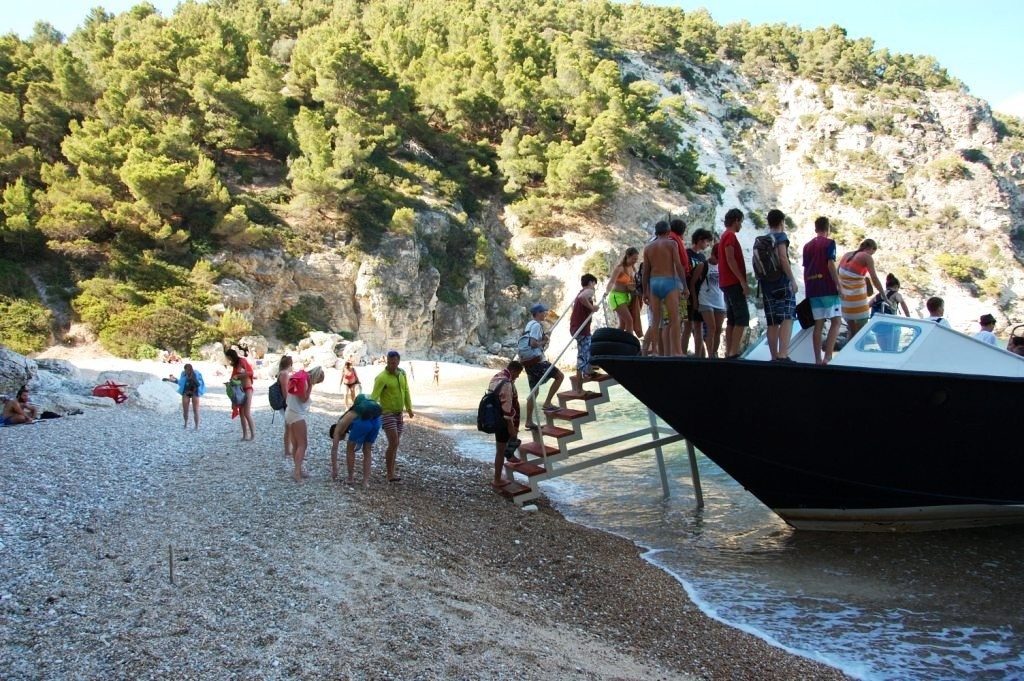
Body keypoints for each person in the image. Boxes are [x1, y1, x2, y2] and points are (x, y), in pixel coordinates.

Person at [642, 221, 687, 356]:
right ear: (668, 232)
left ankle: (655, 351)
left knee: (655, 320)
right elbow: (678, 265)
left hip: (654, 282)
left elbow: (645, 272)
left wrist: (645, 291)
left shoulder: (648, 248)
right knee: (674, 319)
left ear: (656, 232)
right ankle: (677, 351)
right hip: (669, 281)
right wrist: (685, 286)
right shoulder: (672, 244)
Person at [802, 216, 843, 365]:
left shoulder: (807, 246)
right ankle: (828, 357)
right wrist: (838, 284)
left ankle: (818, 359)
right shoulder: (829, 243)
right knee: (836, 321)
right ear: (828, 229)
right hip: (827, 287)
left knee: (818, 324)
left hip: (812, 288)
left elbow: (805, 268)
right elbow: (830, 264)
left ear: (815, 229)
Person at [759, 209, 799, 361]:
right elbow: (783, 258)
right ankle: (783, 355)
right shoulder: (781, 237)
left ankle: (773, 357)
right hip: (782, 283)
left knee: (772, 321)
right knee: (787, 317)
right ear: (782, 222)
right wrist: (792, 279)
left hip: (766, 285)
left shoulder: (763, 239)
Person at [519, 303, 565, 428]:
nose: (545, 314)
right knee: (560, 376)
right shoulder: (536, 325)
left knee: (534, 391)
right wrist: (545, 340)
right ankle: (548, 403)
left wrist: (544, 336)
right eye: (543, 312)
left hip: (528, 362)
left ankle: (528, 421)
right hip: (537, 361)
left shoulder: (529, 324)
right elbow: (533, 343)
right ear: (538, 313)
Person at [370, 350, 414, 483]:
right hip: (386, 413)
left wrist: (409, 408)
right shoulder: (381, 377)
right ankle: (389, 474)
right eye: (389, 362)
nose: (391, 365)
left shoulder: (402, 373)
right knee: (393, 442)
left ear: (398, 361)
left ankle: (392, 472)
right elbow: (374, 396)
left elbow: (406, 390)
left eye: (393, 363)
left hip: (399, 413)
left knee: (395, 444)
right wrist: (369, 413)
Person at [329, 394, 383, 487]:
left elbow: (334, 450)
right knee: (367, 450)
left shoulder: (339, 426)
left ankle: (350, 479)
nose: (340, 439)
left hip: (363, 423)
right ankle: (365, 482)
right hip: (377, 421)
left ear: (333, 432)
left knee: (350, 449)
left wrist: (334, 470)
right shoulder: (357, 410)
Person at [838, 238, 885, 340]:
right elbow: (874, 278)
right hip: (857, 301)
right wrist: (884, 295)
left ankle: (847, 349)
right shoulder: (866, 257)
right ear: (871, 248)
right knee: (860, 335)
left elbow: (838, 274)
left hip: (845, 302)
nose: (872, 255)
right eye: (873, 252)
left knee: (851, 332)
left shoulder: (847, 255)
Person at [718, 208, 749, 359]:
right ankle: (733, 352)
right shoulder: (730, 236)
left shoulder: (724, 236)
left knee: (732, 318)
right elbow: (730, 259)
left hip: (725, 282)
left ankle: (729, 351)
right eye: (740, 222)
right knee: (742, 317)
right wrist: (742, 281)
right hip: (733, 282)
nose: (741, 225)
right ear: (736, 220)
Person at [286, 365, 324, 483]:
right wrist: (310, 387)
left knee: (296, 444)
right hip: (297, 414)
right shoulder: (305, 381)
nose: (315, 383)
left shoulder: (299, 376)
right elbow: (303, 399)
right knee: (303, 444)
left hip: (290, 411)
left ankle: (298, 469)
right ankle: (297, 473)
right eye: (317, 381)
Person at [488, 360, 523, 488]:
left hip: (495, 417)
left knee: (502, 448)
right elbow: (507, 408)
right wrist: (511, 426)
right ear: (513, 370)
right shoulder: (507, 384)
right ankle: (497, 479)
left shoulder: (497, 377)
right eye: (518, 374)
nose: (518, 376)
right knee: (500, 451)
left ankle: (510, 455)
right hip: (503, 421)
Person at [697, 233, 726, 358]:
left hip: (719, 300)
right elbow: (693, 283)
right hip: (705, 300)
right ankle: (710, 356)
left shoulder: (722, 266)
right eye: (718, 256)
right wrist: (695, 300)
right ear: (713, 253)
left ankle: (714, 353)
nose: (719, 260)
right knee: (712, 328)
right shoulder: (703, 265)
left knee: (718, 329)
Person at [570, 274, 599, 393]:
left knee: (586, 351)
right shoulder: (588, 291)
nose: (594, 287)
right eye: (594, 284)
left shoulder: (581, 292)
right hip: (581, 330)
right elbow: (582, 297)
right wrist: (592, 308)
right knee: (582, 357)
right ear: (591, 282)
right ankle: (579, 389)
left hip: (578, 328)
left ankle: (589, 370)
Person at [685, 229, 712, 358]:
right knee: (687, 326)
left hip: (699, 295)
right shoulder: (687, 254)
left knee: (698, 326)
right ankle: (681, 355)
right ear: (700, 240)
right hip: (687, 294)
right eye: (706, 241)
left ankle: (699, 357)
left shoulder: (702, 257)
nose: (707, 244)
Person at [605, 248, 639, 332]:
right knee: (629, 321)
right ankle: (629, 340)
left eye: (636, 259)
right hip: (616, 297)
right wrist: (606, 292)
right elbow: (612, 282)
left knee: (622, 325)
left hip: (626, 296)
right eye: (634, 259)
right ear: (628, 256)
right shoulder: (620, 268)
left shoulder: (632, 268)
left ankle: (615, 340)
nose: (635, 261)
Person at [225, 348, 255, 440]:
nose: (228, 359)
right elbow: (234, 377)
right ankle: (245, 435)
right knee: (241, 413)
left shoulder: (242, 361)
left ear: (231, 356)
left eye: (228, 358)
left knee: (246, 412)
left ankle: (253, 434)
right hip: (240, 389)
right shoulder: (235, 365)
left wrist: (238, 376)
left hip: (247, 388)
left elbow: (250, 372)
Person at [176, 363, 205, 430]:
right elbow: (180, 382)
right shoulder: (183, 374)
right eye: (185, 370)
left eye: (187, 370)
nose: (186, 371)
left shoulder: (196, 373)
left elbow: (199, 383)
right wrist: (174, 380)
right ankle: (186, 424)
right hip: (187, 392)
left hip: (194, 392)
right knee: (185, 410)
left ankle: (196, 426)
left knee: (195, 410)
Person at [277, 355, 294, 459]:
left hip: (284, 403)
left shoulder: (281, 373)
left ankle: (289, 449)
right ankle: (288, 450)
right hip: (285, 403)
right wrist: (289, 404)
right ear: (289, 364)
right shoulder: (284, 374)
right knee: (289, 427)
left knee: (289, 426)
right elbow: (284, 391)